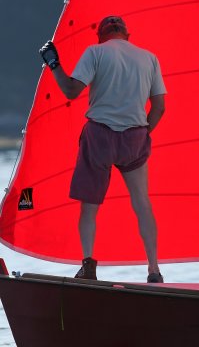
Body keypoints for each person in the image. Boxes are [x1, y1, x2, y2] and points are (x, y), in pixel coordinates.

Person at [39, 16, 167, 283]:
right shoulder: (149, 58)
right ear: (127, 35)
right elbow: (159, 107)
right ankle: (154, 269)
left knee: (90, 207)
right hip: (134, 138)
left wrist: (53, 64)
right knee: (142, 202)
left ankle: (88, 266)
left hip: (99, 136)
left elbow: (72, 91)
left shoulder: (96, 52)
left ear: (101, 36)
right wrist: (143, 134)